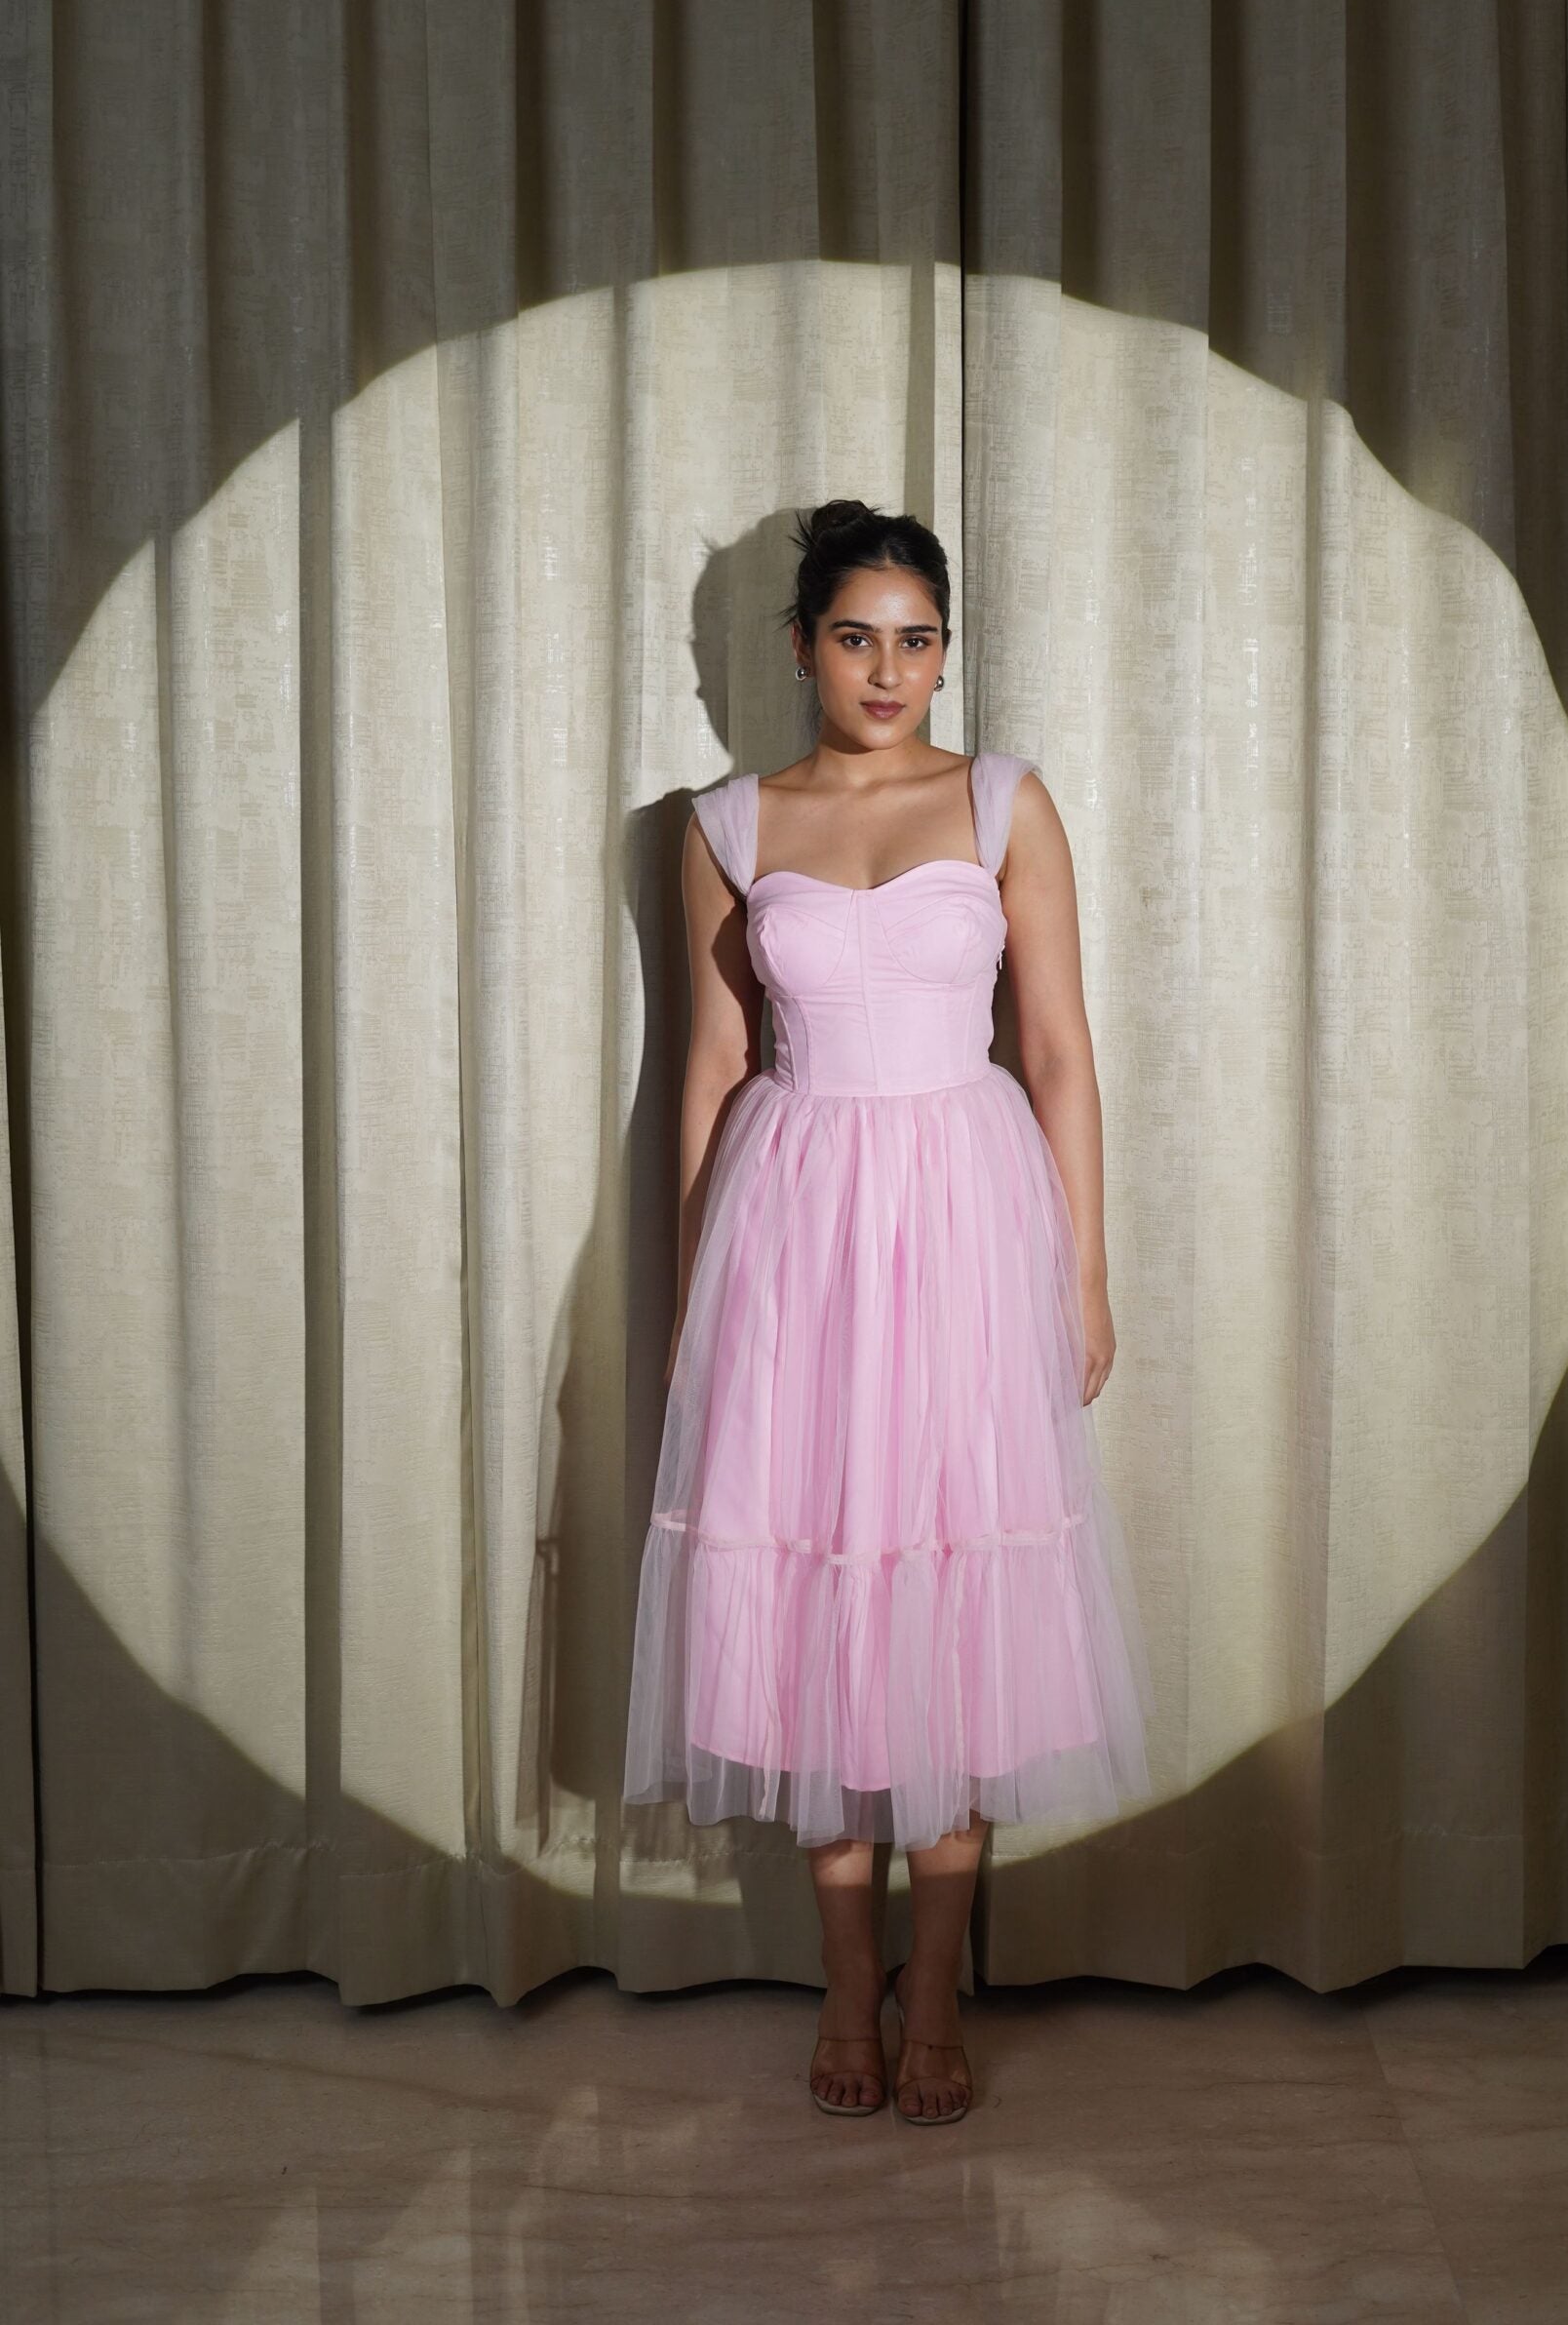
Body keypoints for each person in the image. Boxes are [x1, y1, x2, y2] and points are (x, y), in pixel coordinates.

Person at [622, 500, 1154, 2123]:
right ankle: (847, 1990)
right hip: (793, 1227)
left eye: (917, 640)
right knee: (814, 1605)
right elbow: (711, 1072)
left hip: (965, 1221)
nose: (888, 669)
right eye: (857, 636)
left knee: (956, 1594)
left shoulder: (1003, 802)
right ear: (802, 647)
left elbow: (1055, 1051)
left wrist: (1083, 1272)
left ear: (943, 653)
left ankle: (935, 2001)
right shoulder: (727, 822)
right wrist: (701, 1294)